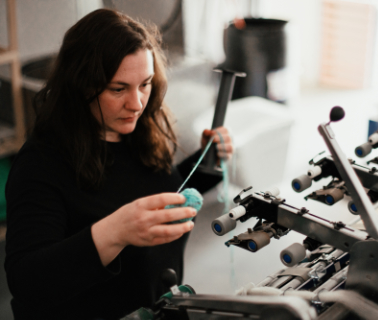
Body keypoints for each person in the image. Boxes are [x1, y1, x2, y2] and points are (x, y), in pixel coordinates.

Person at [4, 8, 233, 320]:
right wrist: (114, 232)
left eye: (145, 84)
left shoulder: (141, 132)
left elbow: (158, 192)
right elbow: (28, 282)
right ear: (81, 84)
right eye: (118, 88)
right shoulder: (41, 163)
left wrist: (205, 162)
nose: (137, 103)